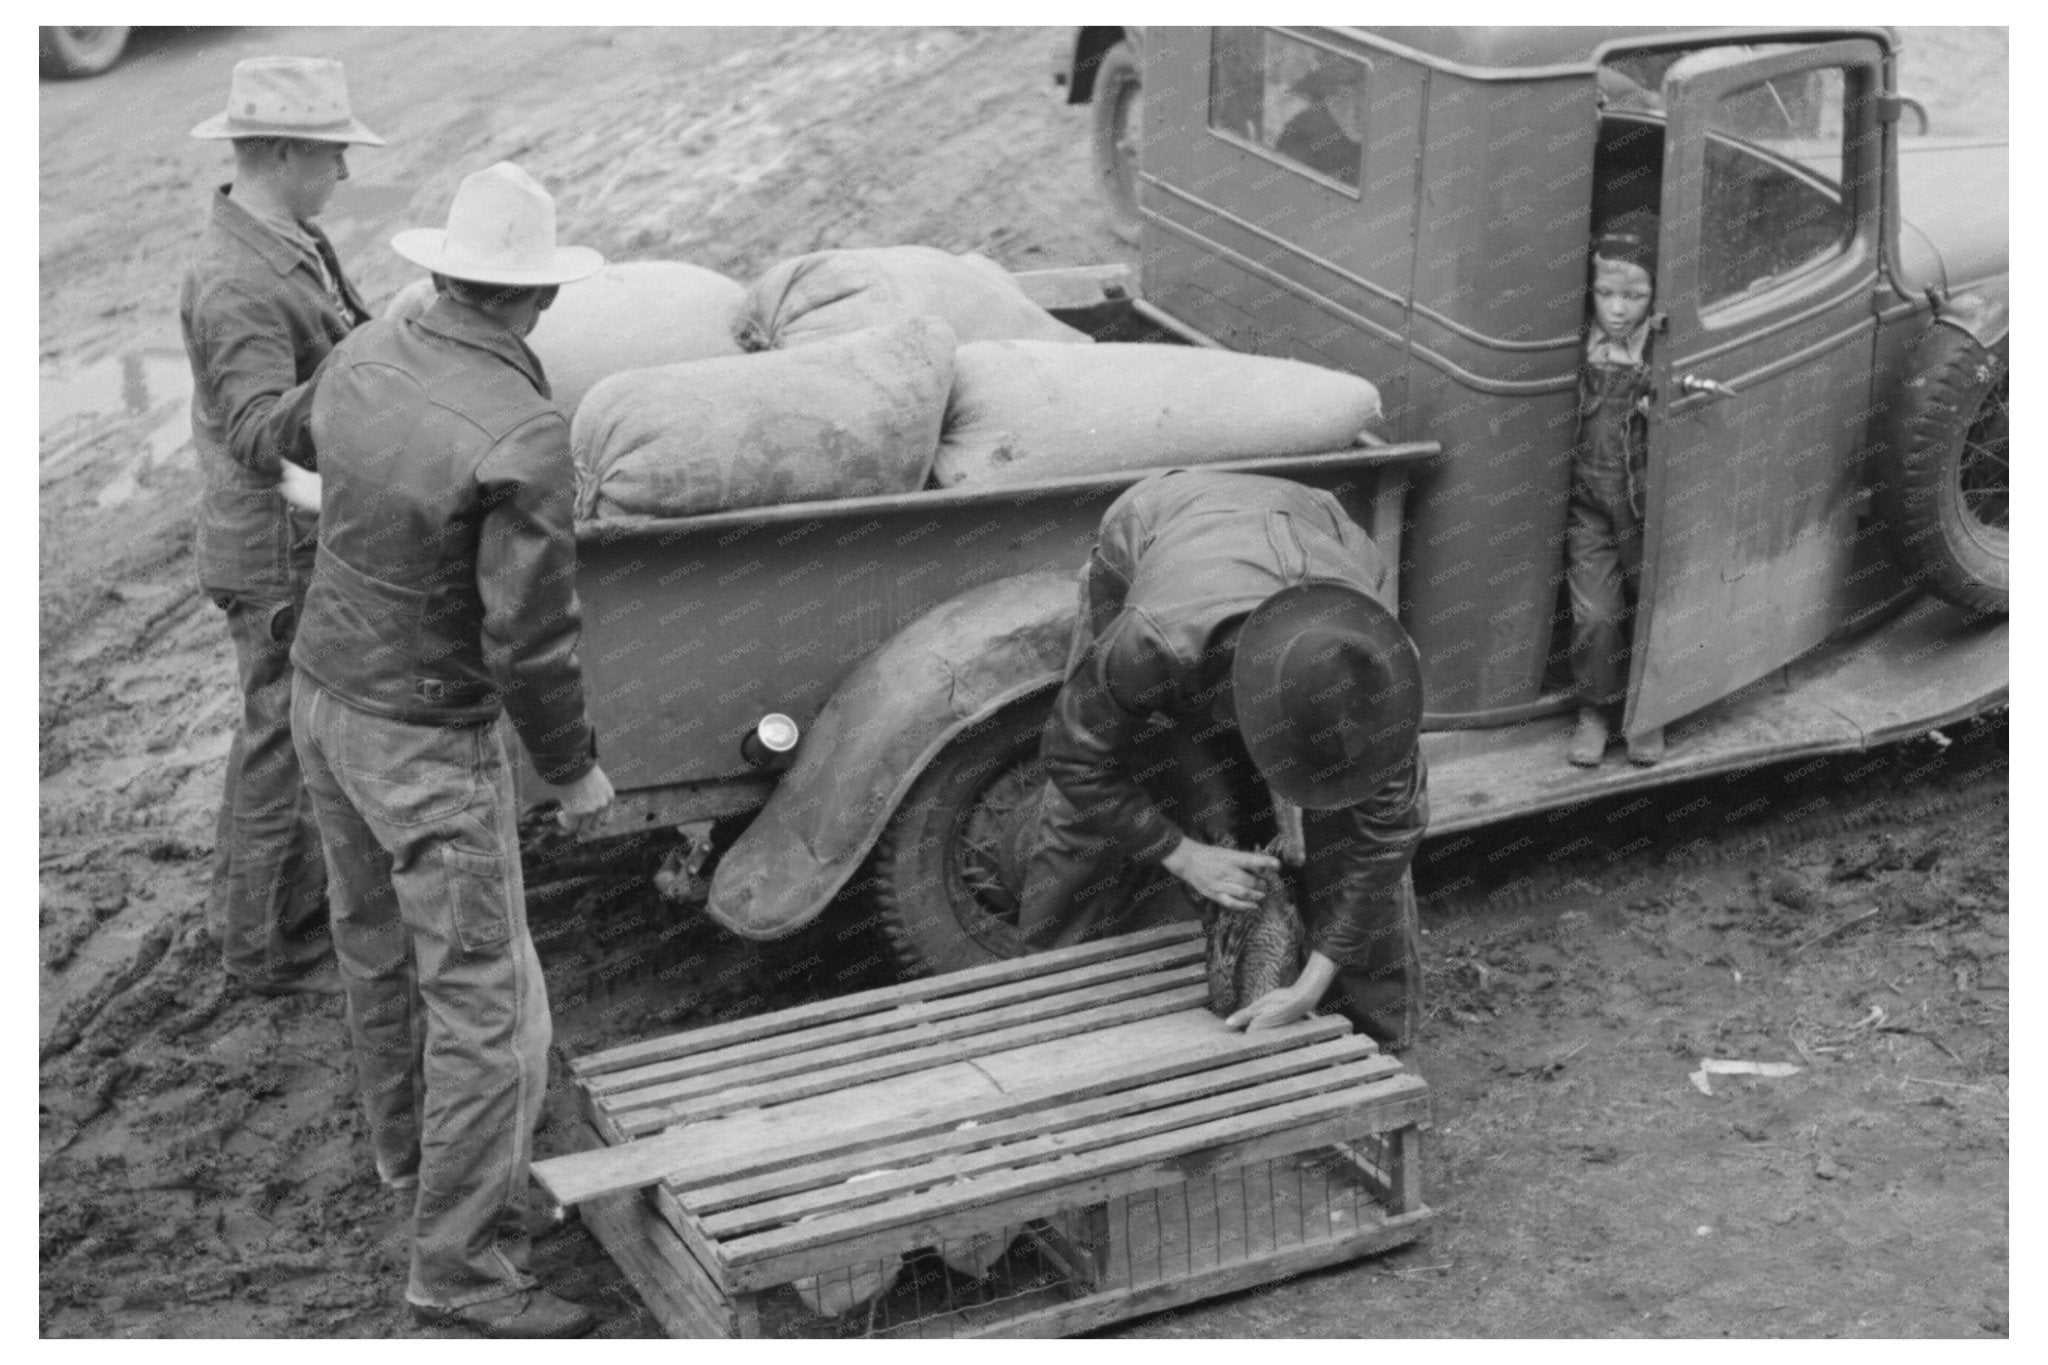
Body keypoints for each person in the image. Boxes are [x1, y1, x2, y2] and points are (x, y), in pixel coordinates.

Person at [288, 162, 615, 1339]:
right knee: (484, 999)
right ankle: (461, 1268)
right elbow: (530, 640)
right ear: (537, 301)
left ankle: (399, 1155)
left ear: (440, 272)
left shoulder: (368, 349)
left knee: (371, 938)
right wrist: (572, 769)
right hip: (426, 737)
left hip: (322, 698)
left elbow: (297, 443)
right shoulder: (527, 431)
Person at [1016, 470, 1429, 1051]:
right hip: (1157, 525)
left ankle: (1377, 1051)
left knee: (1352, 833)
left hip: (1313, 523)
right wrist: (1180, 853)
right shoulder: (1152, 642)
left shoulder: (1379, 675)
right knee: (1084, 820)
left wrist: (1312, 984)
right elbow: (1075, 757)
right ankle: (1047, 1016)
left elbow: (1388, 832)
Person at [180, 56, 384, 995]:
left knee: (289, 735)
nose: (344, 172)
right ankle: (262, 949)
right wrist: (367, 379)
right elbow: (263, 430)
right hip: (273, 550)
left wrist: (402, 342)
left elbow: (349, 329)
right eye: (334, 154)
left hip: (292, 536)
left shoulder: (290, 236)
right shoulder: (238, 280)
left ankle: (266, 919)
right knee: (282, 743)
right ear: (289, 151)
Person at [1565, 212, 1664, 768]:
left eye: (1635, 294)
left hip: (1646, 502)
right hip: (1589, 504)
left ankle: (1649, 710)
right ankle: (1596, 710)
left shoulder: (1664, 350)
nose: (1619, 308)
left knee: (1653, 603)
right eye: (1606, 293)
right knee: (1596, 615)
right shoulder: (1579, 343)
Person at [1275, 58, 1363, 185]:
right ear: (1324, 98)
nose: (1352, 112)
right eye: (1339, 96)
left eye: (1363, 95)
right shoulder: (1300, 138)